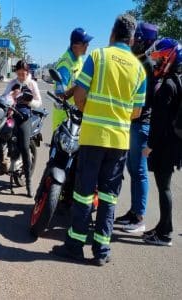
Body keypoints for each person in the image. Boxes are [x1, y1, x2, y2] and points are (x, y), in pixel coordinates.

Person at [52, 14, 146, 266]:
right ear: (133, 38)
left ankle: (75, 245)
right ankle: (101, 251)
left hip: (93, 137)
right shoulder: (139, 69)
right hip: (119, 142)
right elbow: (137, 111)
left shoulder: (98, 57)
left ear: (112, 34)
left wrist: (90, 110)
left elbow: (80, 95)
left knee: (83, 193)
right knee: (108, 197)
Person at [114, 22, 158, 233]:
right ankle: (132, 212)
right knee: (132, 169)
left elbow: (146, 100)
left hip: (141, 123)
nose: (134, 43)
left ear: (147, 43)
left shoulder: (148, 65)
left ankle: (139, 217)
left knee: (139, 171)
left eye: (139, 40)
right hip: (132, 123)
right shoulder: (136, 61)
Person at [142, 38, 182, 246]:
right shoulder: (175, 80)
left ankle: (165, 233)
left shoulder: (168, 85)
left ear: (169, 58)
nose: (156, 63)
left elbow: (161, 122)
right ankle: (162, 227)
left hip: (165, 146)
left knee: (164, 188)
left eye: (159, 59)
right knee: (162, 187)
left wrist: (150, 146)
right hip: (171, 145)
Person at [0, 60, 42, 196]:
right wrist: (5, 98)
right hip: (11, 117)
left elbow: (39, 103)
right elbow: (3, 96)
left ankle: (28, 183)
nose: (21, 76)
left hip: (24, 118)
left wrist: (29, 101)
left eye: (23, 74)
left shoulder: (32, 84)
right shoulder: (12, 83)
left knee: (24, 147)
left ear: (27, 72)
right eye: (19, 74)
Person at [52, 27, 93, 129]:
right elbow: (61, 96)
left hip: (75, 117)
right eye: (85, 43)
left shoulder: (79, 59)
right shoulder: (65, 65)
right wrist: (81, 84)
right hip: (63, 120)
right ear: (75, 46)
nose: (87, 45)